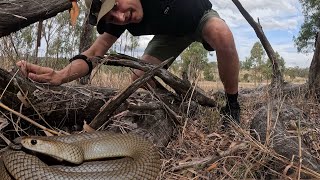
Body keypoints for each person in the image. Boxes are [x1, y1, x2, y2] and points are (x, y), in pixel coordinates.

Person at [16, 0, 241, 124]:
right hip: (170, 36)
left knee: (221, 34)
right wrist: (60, 75)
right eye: (112, 17)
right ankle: (167, 107)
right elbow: (96, 51)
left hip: (198, 19)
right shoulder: (120, 19)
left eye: (116, 7)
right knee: (139, 79)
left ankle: (232, 106)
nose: (121, 18)